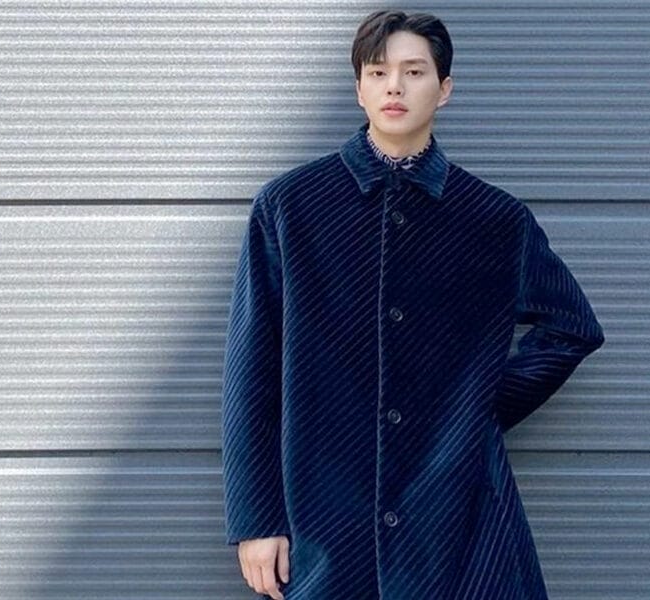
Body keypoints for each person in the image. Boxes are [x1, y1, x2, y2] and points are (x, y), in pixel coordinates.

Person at [221, 9, 604, 600]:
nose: (394, 87)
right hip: (324, 509)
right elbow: (252, 370)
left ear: (444, 89)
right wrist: (256, 519)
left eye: (414, 71)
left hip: (458, 510)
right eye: (377, 72)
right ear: (359, 89)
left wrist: (475, 407)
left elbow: (572, 326)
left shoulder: (492, 218)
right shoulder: (290, 208)